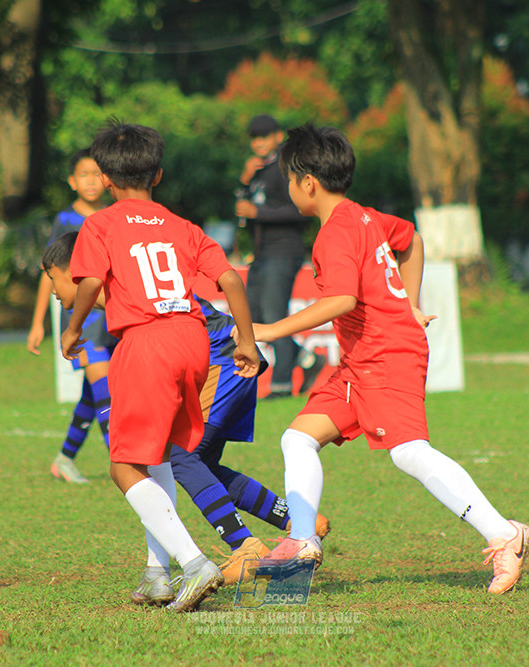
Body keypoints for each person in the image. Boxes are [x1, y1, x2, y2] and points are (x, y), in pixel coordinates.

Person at [250, 124, 529, 595]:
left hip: (387, 355)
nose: (286, 189)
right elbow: (414, 240)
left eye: (287, 180)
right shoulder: (364, 217)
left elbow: (341, 300)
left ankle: (505, 534)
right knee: (298, 438)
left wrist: (269, 330)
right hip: (360, 361)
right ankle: (302, 541)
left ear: (307, 183)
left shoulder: (336, 232)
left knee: (408, 453)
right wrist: (410, 303)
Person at [42, 231, 331, 587]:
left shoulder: (120, 290)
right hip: (221, 361)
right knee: (201, 464)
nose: (53, 291)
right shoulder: (125, 287)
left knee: (178, 456)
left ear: (74, 271)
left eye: (52, 278)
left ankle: (244, 546)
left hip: (222, 361)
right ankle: (296, 521)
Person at [61, 121, 261, 613]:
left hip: (145, 344)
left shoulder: (100, 224)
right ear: (160, 174)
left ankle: (194, 563)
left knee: (123, 464)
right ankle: (157, 574)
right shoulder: (182, 226)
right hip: (192, 341)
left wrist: (72, 329)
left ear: (106, 179)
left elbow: (87, 285)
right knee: (162, 455)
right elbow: (231, 279)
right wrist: (248, 342)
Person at [27, 148, 115, 484]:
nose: (91, 181)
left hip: (110, 315)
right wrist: (38, 323)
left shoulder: (114, 216)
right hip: (83, 320)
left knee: (94, 393)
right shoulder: (65, 221)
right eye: (84, 175)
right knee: (107, 390)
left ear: (107, 179)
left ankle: (64, 458)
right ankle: (124, 464)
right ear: (71, 181)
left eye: (97, 174)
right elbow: (47, 271)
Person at [235, 114, 326, 398]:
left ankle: (282, 386)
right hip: (261, 255)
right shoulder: (259, 171)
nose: (259, 142)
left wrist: (258, 213)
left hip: (283, 251)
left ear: (277, 137)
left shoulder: (285, 169)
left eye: (264, 136)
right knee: (254, 318)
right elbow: (241, 209)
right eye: (254, 137)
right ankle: (309, 361)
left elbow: (301, 210)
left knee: (274, 316)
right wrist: (244, 180)